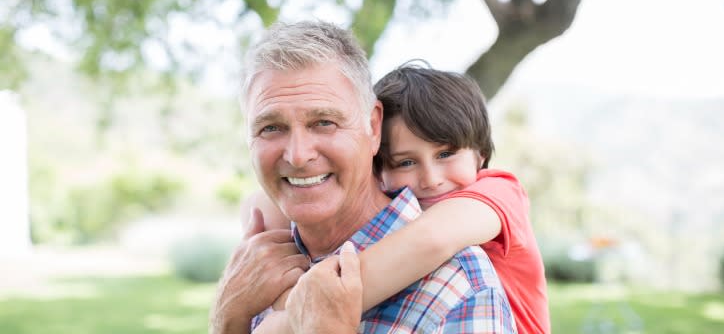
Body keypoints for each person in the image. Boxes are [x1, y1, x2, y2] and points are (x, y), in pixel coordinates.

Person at [210, 20, 516, 334]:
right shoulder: (256, 272)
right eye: (271, 128)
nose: (298, 155)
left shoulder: (459, 287)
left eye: (324, 122)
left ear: (373, 127)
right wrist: (227, 320)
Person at [247, 61, 550, 334]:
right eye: (405, 162)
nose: (431, 179)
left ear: (480, 154)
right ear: (377, 168)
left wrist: (284, 318)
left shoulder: (499, 191)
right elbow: (261, 201)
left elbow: (431, 239)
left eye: (446, 154)